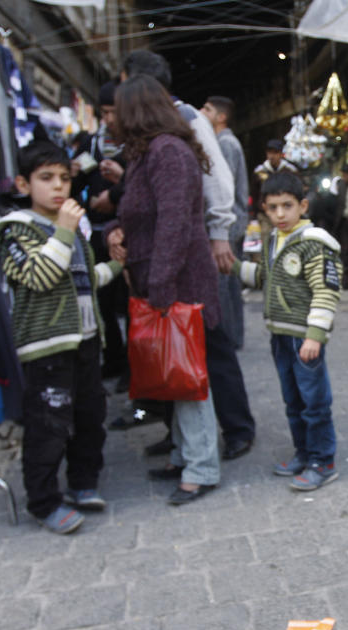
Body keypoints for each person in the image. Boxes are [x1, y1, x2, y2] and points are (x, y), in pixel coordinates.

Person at [112, 51, 256, 462]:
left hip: (191, 260)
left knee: (209, 342)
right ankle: (185, 440)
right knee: (181, 351)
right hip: (168, 265)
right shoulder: (150, 142)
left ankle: (234, 428)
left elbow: (214, 183)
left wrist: (218, 233)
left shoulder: (182, 126)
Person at [0, 141, 125, 533]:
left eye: (65, 178)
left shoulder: (73, 231)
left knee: (90, 416)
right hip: (47, 346)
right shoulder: (15, 230)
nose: (58, 187)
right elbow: (39, 275)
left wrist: (117, 267)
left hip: (85, 342)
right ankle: (43, 501)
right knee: (49, 425)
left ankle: (83, 483)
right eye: (46, 178)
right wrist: (65, 231)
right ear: (23, 183)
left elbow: (85, 281)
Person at [108, 74, 222, 505]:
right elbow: (140, 216)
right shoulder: (146, 153)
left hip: (178, 281)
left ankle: (202, 468)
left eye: (118, 109)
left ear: (135, 110)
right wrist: (115, 234)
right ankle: (183, 455)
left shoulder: (168, 152)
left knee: (188, 377)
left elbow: (175, 225)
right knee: (173, 375)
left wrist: (159, 286)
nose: (112, 118)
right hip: (160, 280)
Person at [233, 172, 343, 491]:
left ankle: (323, 462)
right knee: (292, 400)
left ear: (302, 206)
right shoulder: (273, 241)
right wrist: (232, 266)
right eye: (272, 208)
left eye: (287, 206)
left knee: (314, 402)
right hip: (279, 335)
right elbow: (264, 278)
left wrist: (315, 335)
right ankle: (304, 452)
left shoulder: (314, 244)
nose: (280, 214)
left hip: (304, 338)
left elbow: (326, 291)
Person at [70, 79, 129, 385]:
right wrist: (74, 175)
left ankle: (134, 367)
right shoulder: (91, 145)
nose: (108, 119)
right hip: (96, 233)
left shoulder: (134, 146)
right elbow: (74, 186)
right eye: (104, 112)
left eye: (113, 111)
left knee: (131, 302)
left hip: (125, 235)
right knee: (103, 302)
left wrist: (117, 189)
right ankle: (115, 358)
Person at [201, 95, 249, 350]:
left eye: (207, 109)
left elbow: (223, 187)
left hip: (229, 223)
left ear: (221, 117)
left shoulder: (225, 144)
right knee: (229, 282)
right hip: (233, 221)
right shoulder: (223, 142)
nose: (201, 112)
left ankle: (227, 338)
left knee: (224, 283)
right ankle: (233, 337)